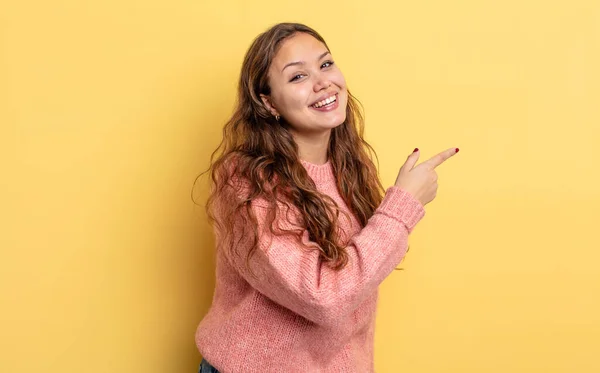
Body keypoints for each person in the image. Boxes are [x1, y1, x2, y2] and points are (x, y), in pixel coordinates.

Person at [194, 22, 459, 373]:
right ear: (268, 102)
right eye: (297, 77)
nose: (323, 83)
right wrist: (402, 207)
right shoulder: (247, 183)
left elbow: (356, 290)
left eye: (325, 64)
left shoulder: (347, 165)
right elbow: (325, 297)